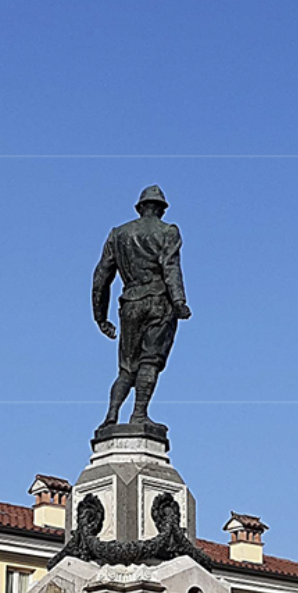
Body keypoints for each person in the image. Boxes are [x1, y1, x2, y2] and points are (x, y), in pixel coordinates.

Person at [91, 185, 191, 436]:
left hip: (131, 303)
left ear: (140, 207)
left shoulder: (118, 234)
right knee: (150, 361)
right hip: (159, 302)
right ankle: (139, 413)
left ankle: (111, 414)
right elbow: (171, 267)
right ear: (161, 209)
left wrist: (100, 316)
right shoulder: (168, 231)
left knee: (126, 367)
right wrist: (179, 301)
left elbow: (101, 276)